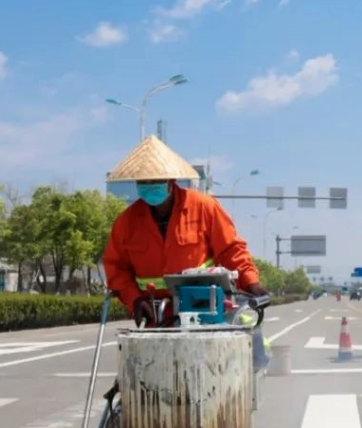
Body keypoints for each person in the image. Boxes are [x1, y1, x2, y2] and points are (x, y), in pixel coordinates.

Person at [102, 136, 269, 329]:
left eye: (155, 180)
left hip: (204, 311)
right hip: (155, 316)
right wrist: (135, 300)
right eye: (144, 181)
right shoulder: (126, 222)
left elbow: (230, 250)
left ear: (170, 180)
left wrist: (251, 282)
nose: (149, 185)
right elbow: (117, 269)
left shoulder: (204, 207)